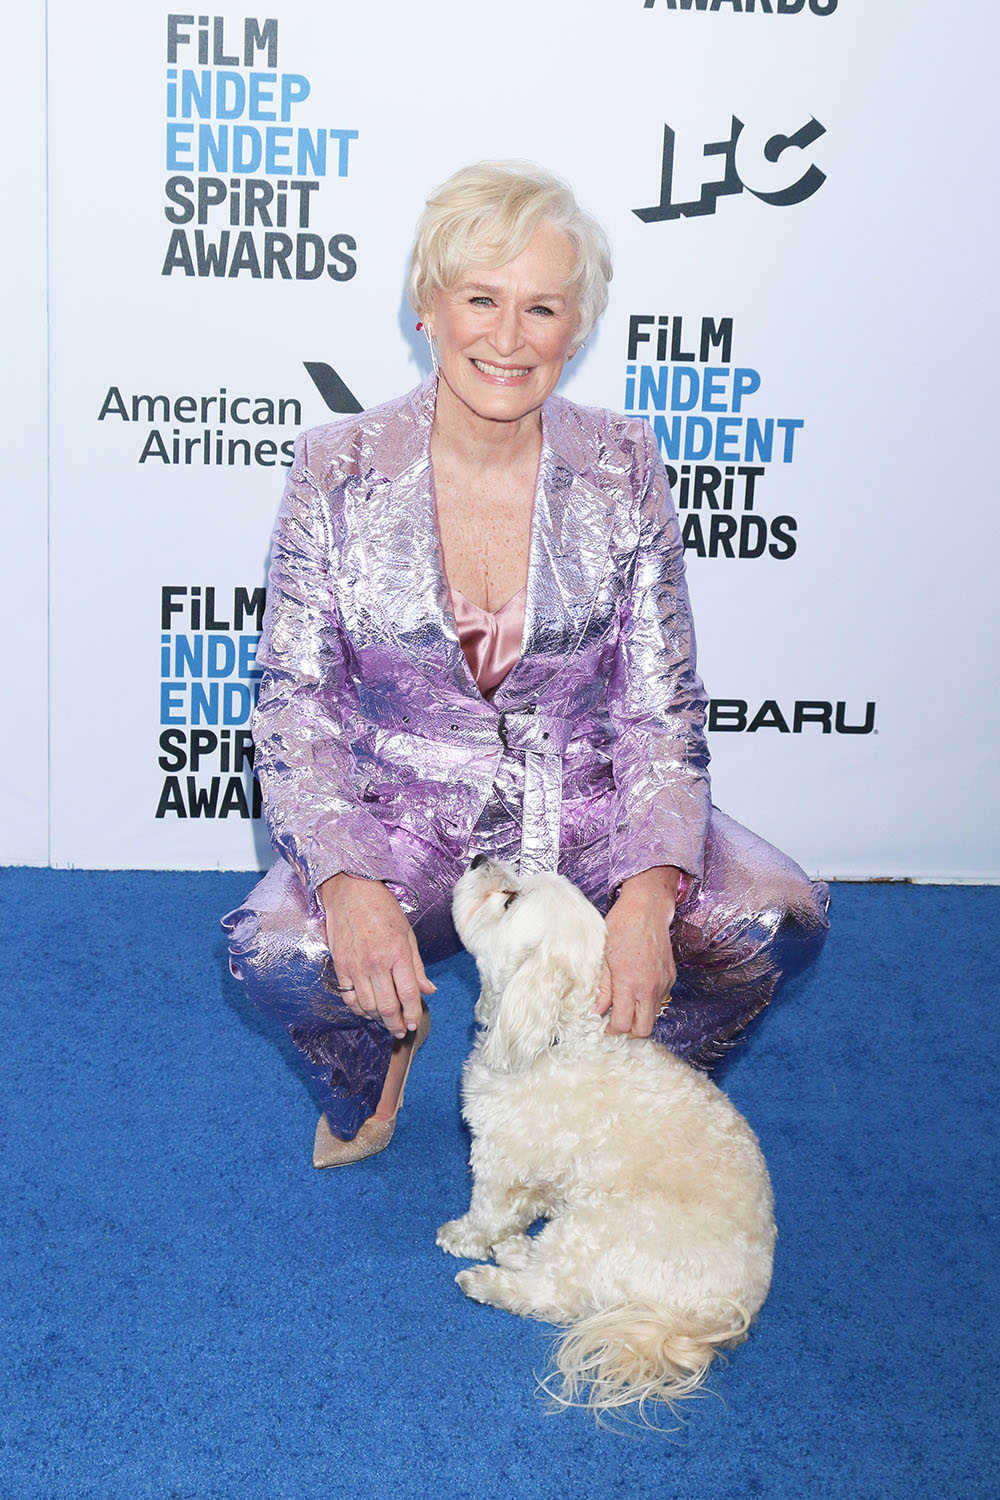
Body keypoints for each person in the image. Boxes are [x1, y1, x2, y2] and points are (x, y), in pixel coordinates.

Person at [223, 161, 829, 1167]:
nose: (507, 338)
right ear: (427, 307)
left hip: (583, 799)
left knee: (771, 918)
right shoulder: (336, 466)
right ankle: (379, 1045)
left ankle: (617, 1079)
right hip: (399, 810)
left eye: (540, 307)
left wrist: (649, 895)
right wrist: (346, 881)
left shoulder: (623, 462)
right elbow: (295, 711)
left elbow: (659, 710)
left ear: (576, 327)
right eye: (480, 300)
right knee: (278, 952)